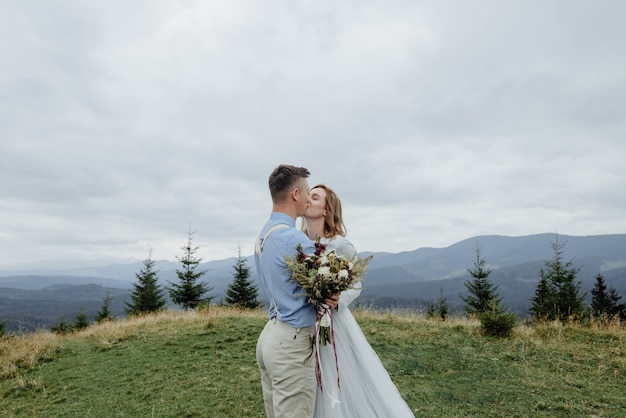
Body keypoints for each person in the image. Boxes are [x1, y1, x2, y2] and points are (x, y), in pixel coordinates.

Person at [303, 184, 415, 418]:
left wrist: (338, 298)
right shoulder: (297, 242)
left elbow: (356, 283)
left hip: (336, 323)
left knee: (343, 376)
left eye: (315, 197)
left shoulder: (340, 244)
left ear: (326, 210)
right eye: (308, 196)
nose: (308, 199)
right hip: (306, 322)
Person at [255, 165, 339, 418]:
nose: (306, 198)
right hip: (292, 344)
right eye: (305, 192)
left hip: (271, 336)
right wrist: (333, 294)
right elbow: (328, 281)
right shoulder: (295, 241)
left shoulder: (265, 234)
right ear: (294, 195)